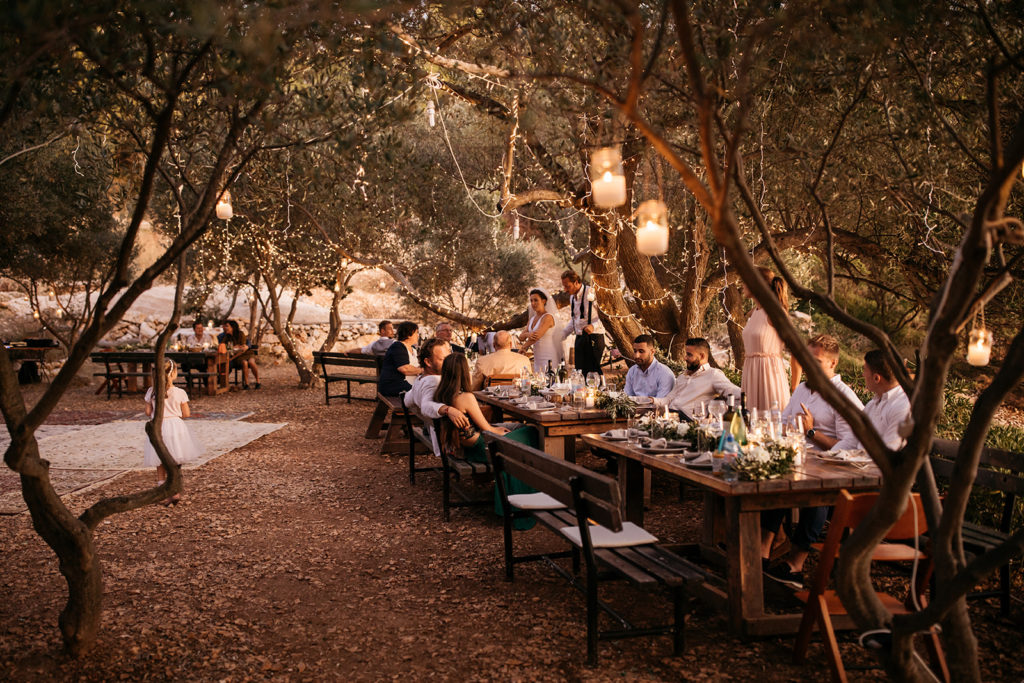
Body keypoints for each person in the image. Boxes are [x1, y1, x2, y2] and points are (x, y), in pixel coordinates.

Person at [762, 334, 864, 589]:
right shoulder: (804, 389)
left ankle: (796, 564)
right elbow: (784, 422)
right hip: (798, 461)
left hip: (831, 469)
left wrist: (811, 433)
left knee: (816, 493)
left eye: (816, 361)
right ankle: (762, 551)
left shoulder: (842, 396)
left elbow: (850, 445)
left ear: (832, 364)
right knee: (774, 477)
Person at [434, 353, 539, 528]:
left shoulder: (442, 394)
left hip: (468, 447)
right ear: (463, 372)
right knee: (532, 432)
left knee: (518, 429)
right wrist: (501, 432)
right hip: (481, 447)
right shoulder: (465, 397)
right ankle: (529, 499)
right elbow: (488, 429)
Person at [142, 359, 202, 506]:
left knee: (160, 460)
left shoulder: (152, 391)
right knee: (174, 460)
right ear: (174, 373)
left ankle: (162, 491)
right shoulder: (180, 392)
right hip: (176, 427)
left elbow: (148, 412)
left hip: (159, 426)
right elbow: (186, 413)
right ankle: (174, 491)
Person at [741, 266, 798, 413]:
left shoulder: (775, 313)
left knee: (771, 425)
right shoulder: (754, 312)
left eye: (745, 281)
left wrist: (795, 388)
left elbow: (797, 350)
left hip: (769, 376)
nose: (742, 284)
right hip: (750, 373)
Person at [403, 337, 471, 453]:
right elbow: (426, 406)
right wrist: (448, 409)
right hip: (454, 445)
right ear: (428, 362)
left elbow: (406, 400)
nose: (449, 362)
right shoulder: (434, 381)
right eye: (444, 359)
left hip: (438, 433)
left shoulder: (421, 379)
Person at [657, 338, 741, 416]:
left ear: (702, 356)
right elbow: (669, 399)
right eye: (686, 354)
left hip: (688, 421)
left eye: (689, 355)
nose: (685, 358)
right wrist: (650, 400)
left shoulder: (713, 375)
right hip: (669, 416)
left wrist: (725, 415)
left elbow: (737, 395)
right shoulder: (682, 377)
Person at [859, 349, 911, 450]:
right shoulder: (872, 404)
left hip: (875, 464)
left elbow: (889, 452)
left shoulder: (902, 406)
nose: (863, 375)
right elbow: (853, 439)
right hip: (857, 462)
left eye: (865, 370)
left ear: (876, 378)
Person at [560, 270, 605, 376]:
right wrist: (562, 334)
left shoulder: (592, 293)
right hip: (579, 339)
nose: (565, 290)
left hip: (594, 337)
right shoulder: (572, 297)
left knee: (593, 374)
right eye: (564, 286)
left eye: (567, 286)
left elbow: (605, 316)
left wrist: (593, 326)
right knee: (580, 373)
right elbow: (575, 320)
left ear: (576, 282)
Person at [520, 288, 562, 373]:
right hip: (537, 357)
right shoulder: (532, 319)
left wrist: (524, 346)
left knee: (549, 381)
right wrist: (528, 335)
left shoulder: (548, 317)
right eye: (531, 300)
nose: (533, 303)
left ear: (543, 301)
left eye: (536, 300)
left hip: (548, 355)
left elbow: (536, 336)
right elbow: (521, 337)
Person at [623, 335, 675, 399]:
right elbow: (626, 398)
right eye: (635, 351)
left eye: (641, 351)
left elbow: (660, 403)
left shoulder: (665, 374)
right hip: (635, 408)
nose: (637, 356)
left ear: (652, 352)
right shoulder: (632, 371)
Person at [378, 321, 422, 396]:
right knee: (423, 393)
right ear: (409, 334)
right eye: (416, 333)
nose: (418, 336)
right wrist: (422, 370)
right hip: (394, 385)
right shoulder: (398, 347)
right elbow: (404, 369)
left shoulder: (413, 348)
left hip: (409, 383)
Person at [220, 320, 260, 389]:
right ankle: (247, 383)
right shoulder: (227, 337)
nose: (225, 328)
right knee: (244, 362)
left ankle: (258, 381)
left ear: (232, 327)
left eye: (227, 326)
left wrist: (233, 354)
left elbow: (243, 348)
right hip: (238, 357)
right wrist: (234, 348)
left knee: (251, 362)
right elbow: (223, 346)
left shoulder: (240, 334)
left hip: (247, 353)